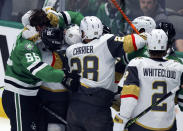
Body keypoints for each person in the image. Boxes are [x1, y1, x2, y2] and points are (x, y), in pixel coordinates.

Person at [2, 9, 80, 131]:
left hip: (30, 96)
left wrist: (57, 18)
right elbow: (42, 72)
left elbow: (74, 16)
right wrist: (64, 75)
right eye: (44, 26)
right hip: (18, 96)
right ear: (36, 27)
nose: (48, 28)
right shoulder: (26, 45)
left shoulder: (39, 31)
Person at [65, 16, 147, 131]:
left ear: (83, 32)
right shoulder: (106, 42)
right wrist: (146, 36)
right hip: (97, 108)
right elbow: (134, 42)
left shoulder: (70, 50)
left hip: (74, 107)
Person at [114, 29, 182, 131]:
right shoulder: (178, 68)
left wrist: (122, 118)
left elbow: (130, 97)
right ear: (167, 47)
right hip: (168, 126)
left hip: (141, 125)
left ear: (148, 45)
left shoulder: (137, 64)